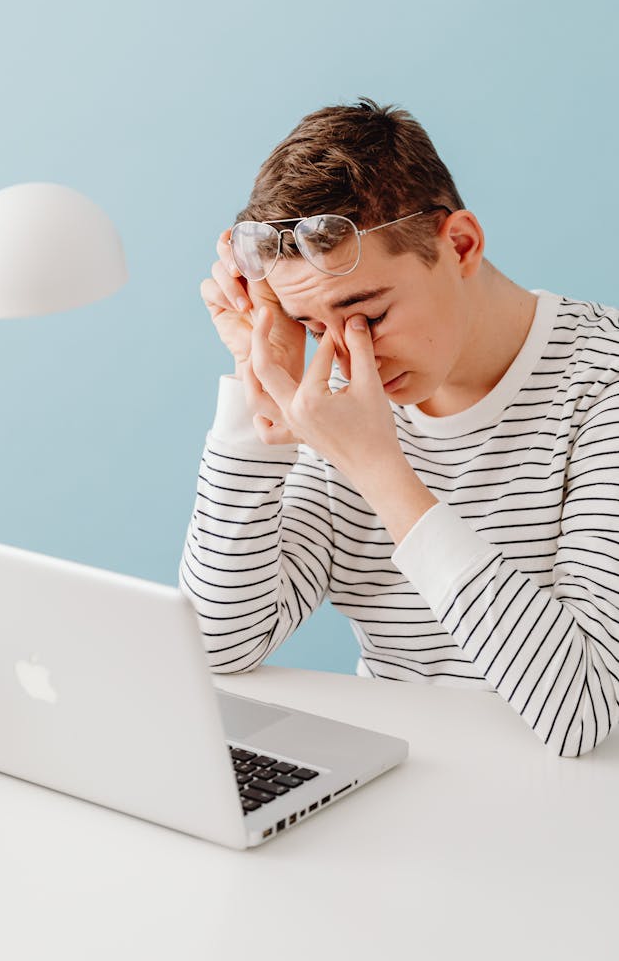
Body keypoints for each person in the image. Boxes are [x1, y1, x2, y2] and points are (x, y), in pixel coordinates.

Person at [179, 98, 619, 757]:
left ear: (461, 245)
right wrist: (258, 385)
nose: (343, 353)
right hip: (401, 792)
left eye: (368, 315)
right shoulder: (336, 404)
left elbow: (581, 711)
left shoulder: (600, 385)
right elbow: (217, 644)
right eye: (311, 326)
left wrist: (382, 472)